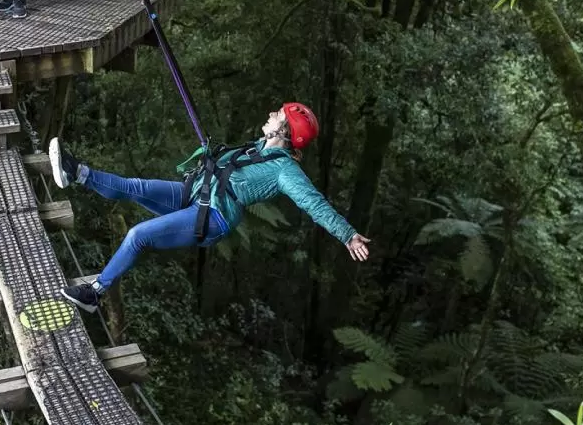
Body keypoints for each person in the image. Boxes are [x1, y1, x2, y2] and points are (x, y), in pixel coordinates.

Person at [49, 103, 372, 313]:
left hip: (214, 216)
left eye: (276, 114)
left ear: (284, 130)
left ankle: (94, 293)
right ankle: (76, 172)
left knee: (138, 235)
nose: (270, 114)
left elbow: (313, 203)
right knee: (136, 187)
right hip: (198, 192)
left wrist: (347, 235)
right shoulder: (260, 146)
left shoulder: (286, 172)